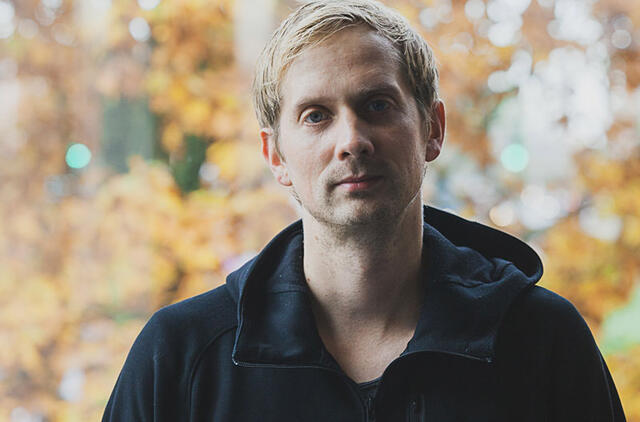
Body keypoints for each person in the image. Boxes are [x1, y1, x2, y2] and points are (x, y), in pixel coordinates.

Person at [102, 1, 626, 421]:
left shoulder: (542, 340)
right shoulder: (181, 356)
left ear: (433, 129)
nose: (351, 140)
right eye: (316, 116)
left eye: (377, 105)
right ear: (275, 156)